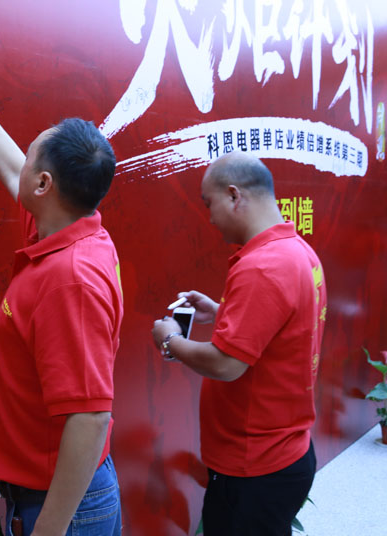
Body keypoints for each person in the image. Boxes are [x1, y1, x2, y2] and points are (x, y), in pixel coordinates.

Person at [0, 51, 124, 536]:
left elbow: (90, 417)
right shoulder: (68, 227)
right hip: (54, 496)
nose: (21, 163)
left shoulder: (70, 280)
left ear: (44, 184)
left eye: (32, 158)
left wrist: (50, 529)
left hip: (61, 508)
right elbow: (12, 168)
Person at [151, 153, 326, 536]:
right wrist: (221, 312)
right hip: (283, 450)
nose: (210, 217)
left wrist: (170, 340)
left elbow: (226, 364)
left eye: (208, 203)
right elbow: (281, 328)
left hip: (255, 465)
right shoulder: (297, 251)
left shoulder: (262, 266)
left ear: (234, 196)